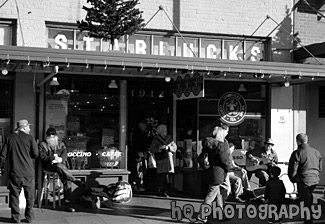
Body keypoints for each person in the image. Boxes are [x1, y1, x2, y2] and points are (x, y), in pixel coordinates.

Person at [0, 119, 39, 223]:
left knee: (14, 196)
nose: (30, 129)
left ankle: (15, 218)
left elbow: (2, 155)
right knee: (29, 196)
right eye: (29, 127)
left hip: (15, 172)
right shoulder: (30, 138)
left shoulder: (10, 138)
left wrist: (1, 167)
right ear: (24, 127)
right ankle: (29, 217)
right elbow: (36, 154)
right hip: (28, 172)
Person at [39, 127, 84, 212]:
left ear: (56, 135)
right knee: (59, 166)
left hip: (61, 166)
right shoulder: (42, 145)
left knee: (67, 180)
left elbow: (65, 153)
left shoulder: (61, 143)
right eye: (49, 134)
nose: (51, 136)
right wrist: (52, 158)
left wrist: (61, 159)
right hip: (50, 166)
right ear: (47, 135)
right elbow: (42, 157)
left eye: (53, 134)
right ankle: (74, 179)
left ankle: (68, 204)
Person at [197, 124, 232, 223]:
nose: (227, 133)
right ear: (222, 132)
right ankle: (202, 217)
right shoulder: (221, 144)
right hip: (218, 173)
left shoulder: (209, 143)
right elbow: (224, 160)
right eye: (226, 131)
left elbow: (202, 156)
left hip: (209, 171)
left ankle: (220, 214)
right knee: (211, 195)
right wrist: (229, 168)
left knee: (218, 194)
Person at [288, 133, 322, 224]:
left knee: (305, 202)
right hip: (315, 180)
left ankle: (308, 221)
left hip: (303, 180)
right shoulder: (316, 152)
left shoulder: (297, 153)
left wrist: (293, 179)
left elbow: (292, 170)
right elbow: (320, 168)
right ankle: (310, 217)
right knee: (309, 198)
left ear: (298, 142)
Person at [147, 124, 177, 197]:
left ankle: (166, 190)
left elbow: (175, 148)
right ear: (160, 131)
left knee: (167, 176)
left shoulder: (169, 138)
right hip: (161, 160)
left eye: (166, 130)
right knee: (161, 176)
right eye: (164, 131)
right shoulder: (156, 139)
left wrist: (169, 148)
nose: (165, 132)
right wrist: (159, 149)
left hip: (168, 160)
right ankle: (159, 190)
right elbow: (151, 149)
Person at [129, 120, 150, 192]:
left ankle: (138, 185)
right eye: (144, 125)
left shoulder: (141, 133)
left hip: (140, 154)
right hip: (138, 154)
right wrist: (138, 153)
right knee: (139, 170)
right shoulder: (137, 133)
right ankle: (137, 185)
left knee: (140, 170)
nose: (145, 126)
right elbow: (136, 145)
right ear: (140, 124)